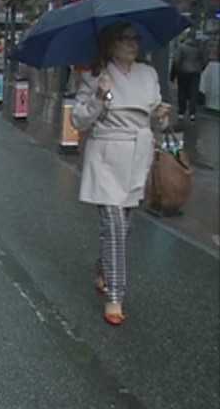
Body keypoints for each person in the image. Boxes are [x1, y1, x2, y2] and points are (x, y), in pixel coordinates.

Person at [71, 21, 171, 326]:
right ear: (110, 44)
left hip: (138, 155)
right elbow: (79, 120)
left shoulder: (148, 74)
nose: (132, 44)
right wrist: (99, 98)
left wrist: (162, 117)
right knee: (114, 226)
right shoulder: (95, 77)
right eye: (124, 39)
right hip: (107, 157)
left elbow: (158, 122)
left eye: (135, 39)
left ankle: (103, 267)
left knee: (124, 229)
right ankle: (116, 295)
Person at [171, 31, 207, 122]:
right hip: (195, 73)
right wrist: (200, 68)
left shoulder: (181, 47)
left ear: (186, 37)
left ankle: (181, 112)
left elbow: (176, 61)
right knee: (193, 93)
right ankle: (192, 113)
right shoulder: (199, 48)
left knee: (182, 92)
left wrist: (176, 72)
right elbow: (205, 61)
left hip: (183, 73)